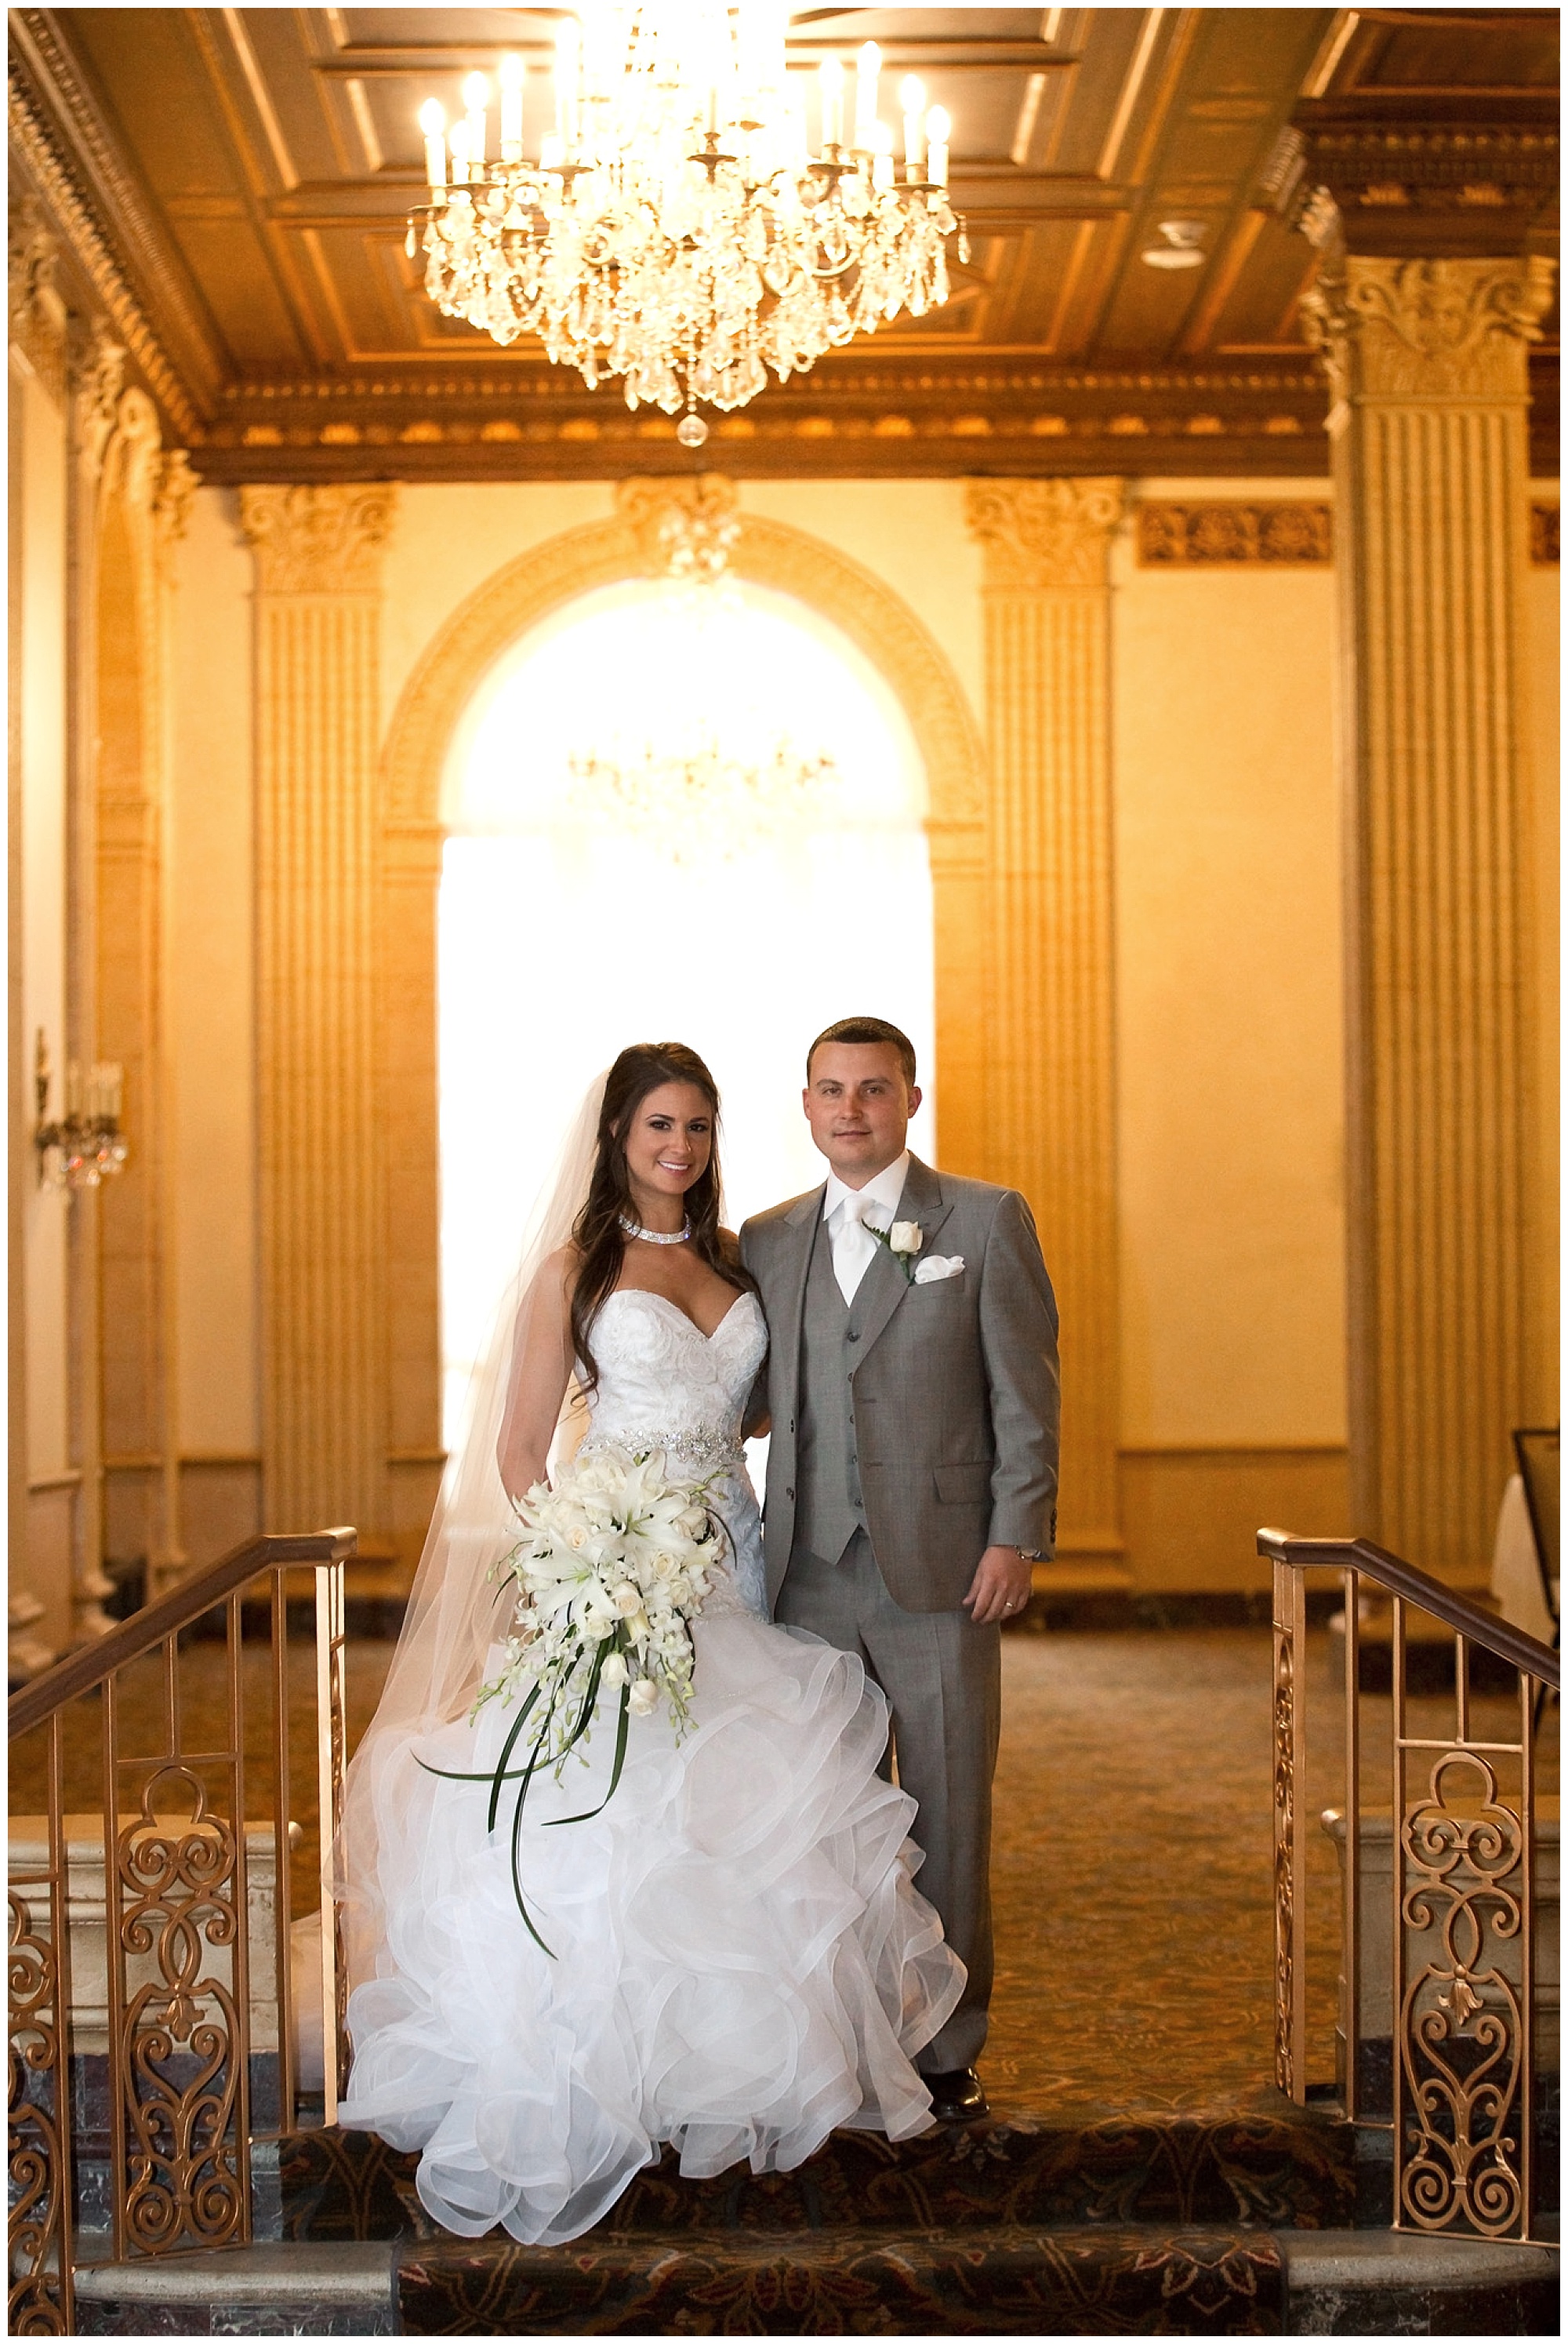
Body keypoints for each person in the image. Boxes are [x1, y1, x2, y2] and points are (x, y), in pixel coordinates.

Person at [336, 1042, 964, 2248]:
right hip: (614, 1573)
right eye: (660, 1124)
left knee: (738, 1814)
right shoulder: (574, 1271)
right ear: (620, 1132)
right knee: (616, 1824)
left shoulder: (740, 1265)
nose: (681, 1146)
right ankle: (610, 2077)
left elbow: (764, 1407)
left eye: (699, 1126)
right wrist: (582, 1570)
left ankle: (728, 2075)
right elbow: (525, 1448)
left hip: (732, 1565)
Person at [740, 1016, 1060, 2124]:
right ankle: (837, 2024)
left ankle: (947, 2043)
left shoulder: (983, 1218)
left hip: (943, 1571)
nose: (850, 1109)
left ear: (911, 1099)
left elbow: (1025, 1389)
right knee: (817, 1812)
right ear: (806, 1102)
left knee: (945, 1808)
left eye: (872, 1090)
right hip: (803, 1575)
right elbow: (747, 1390)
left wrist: (1015, 1531)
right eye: (830, 1089)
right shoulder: (768, 1237)